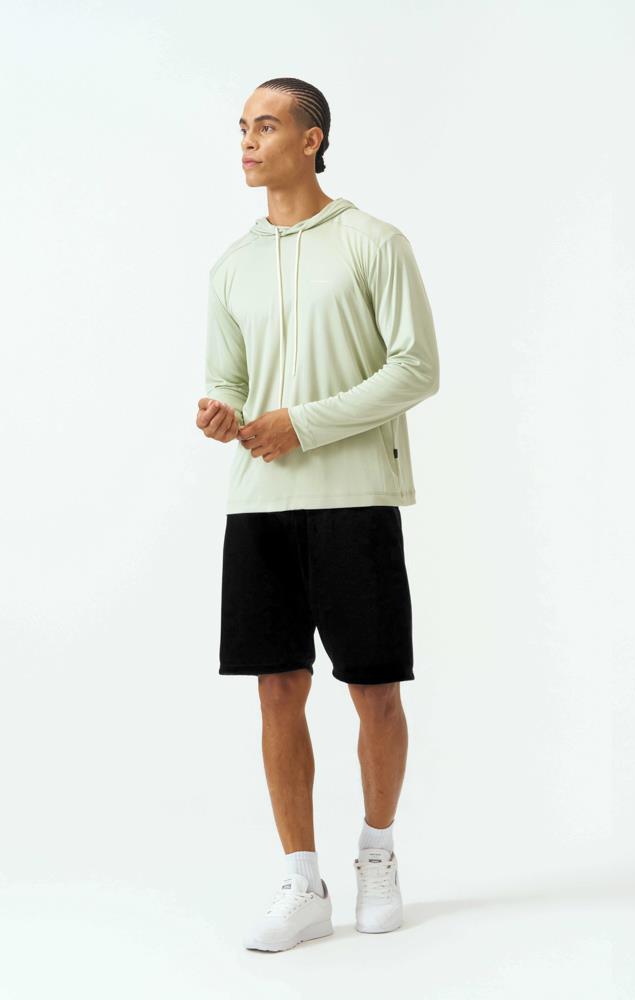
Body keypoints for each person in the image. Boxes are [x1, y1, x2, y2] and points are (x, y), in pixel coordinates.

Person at [196, 76, 440, 952]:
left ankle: (377, 854)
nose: (247, 142)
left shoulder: (374, 242)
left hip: (355, 497)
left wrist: (301, 423)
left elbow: (416, 368)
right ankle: (302, 881)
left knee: (374, 689)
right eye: (242, 127)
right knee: (277, 688)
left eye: (265, 126)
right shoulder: (232, 265)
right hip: (261, 503)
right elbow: (227, 376)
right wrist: (223, 410)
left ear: (312, 139)